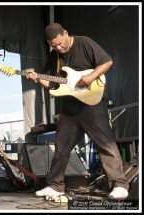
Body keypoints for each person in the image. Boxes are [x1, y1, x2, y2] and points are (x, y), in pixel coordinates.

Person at [26, 23, 129, 200]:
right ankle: (55, 186)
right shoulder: (54, 56)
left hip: (92, 105)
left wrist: (89, 77)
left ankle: (119, 185)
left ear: (66, 33)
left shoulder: (84, 43)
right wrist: (37, 79)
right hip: (69, 110)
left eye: (60, 43)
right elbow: (51, 85)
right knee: (61, 148)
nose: (59, 47)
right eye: (54, 45)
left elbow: (107, 61)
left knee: (106, 145)